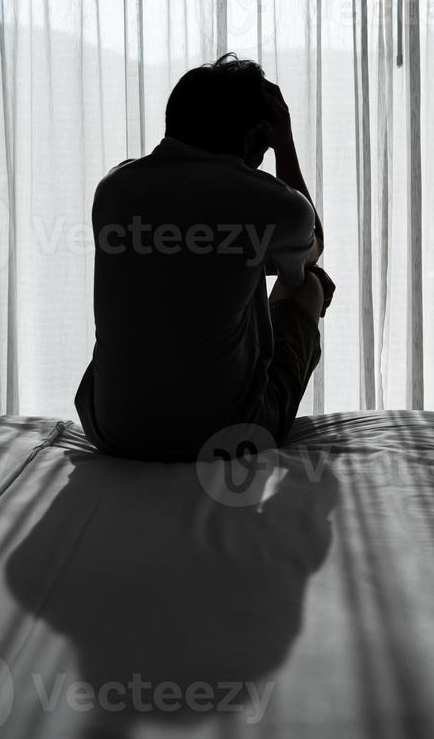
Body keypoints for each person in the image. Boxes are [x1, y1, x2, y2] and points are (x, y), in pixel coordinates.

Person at [75, 54, 334, 462]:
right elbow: (313, 245)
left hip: (110, 429)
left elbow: (191, 252)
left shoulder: (114, 188)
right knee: (309, 282)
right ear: (254, 138)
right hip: (226, 437)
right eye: (264, 147)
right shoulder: (266, 200)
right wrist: (286, 146)